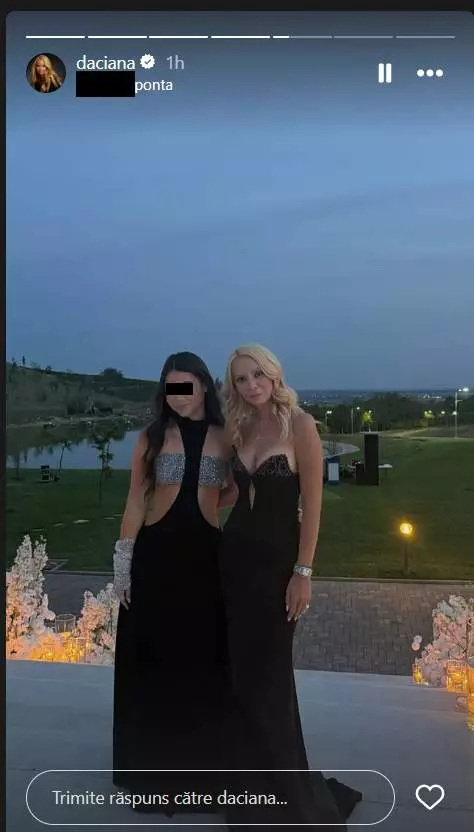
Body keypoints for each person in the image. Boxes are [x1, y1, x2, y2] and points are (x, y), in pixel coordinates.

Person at [219, 343, 362, 830]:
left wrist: (304, 572)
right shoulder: (240, 427)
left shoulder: (300, 425)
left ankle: (289, 799)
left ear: (274, 374)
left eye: (258, 374)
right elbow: (234, 494)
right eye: (241, 379)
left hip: (278, 568)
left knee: (271, 678)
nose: (251, 385)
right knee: (241, 677)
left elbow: (313, 504)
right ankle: (251, 793)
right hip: (233, 561)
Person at [112, 351, 235, 814]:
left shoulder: (226, 436)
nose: (178, 397)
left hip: (206, 560)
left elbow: (235, 487)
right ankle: (155, 774)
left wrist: (214, 500)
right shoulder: (151, 437)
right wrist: (123, 561)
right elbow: (135, 500)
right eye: (171, 388)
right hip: (157, 559)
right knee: (156, 663)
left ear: (204, 385)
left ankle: (201, 774)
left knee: (201, 662)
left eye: (187, 387)